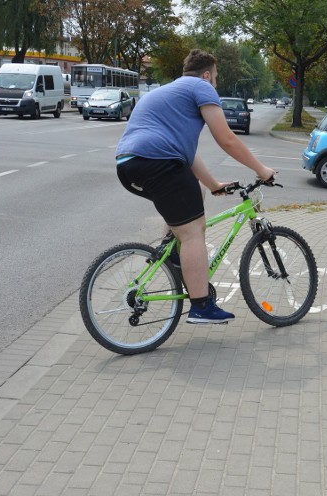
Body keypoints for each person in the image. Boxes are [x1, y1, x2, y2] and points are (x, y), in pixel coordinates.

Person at [114, 49, 276, 324]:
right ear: (206, 74)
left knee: (195, 193)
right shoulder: (201, 87)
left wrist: (212, 185)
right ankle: (201, 305)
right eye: (215, 78)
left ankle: (173, 256)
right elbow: (226, 138)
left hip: (129, 164)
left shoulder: (168, 92)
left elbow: (186, 155)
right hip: (158, 163)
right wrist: (261, 170)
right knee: (193, 232)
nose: (215, 84)